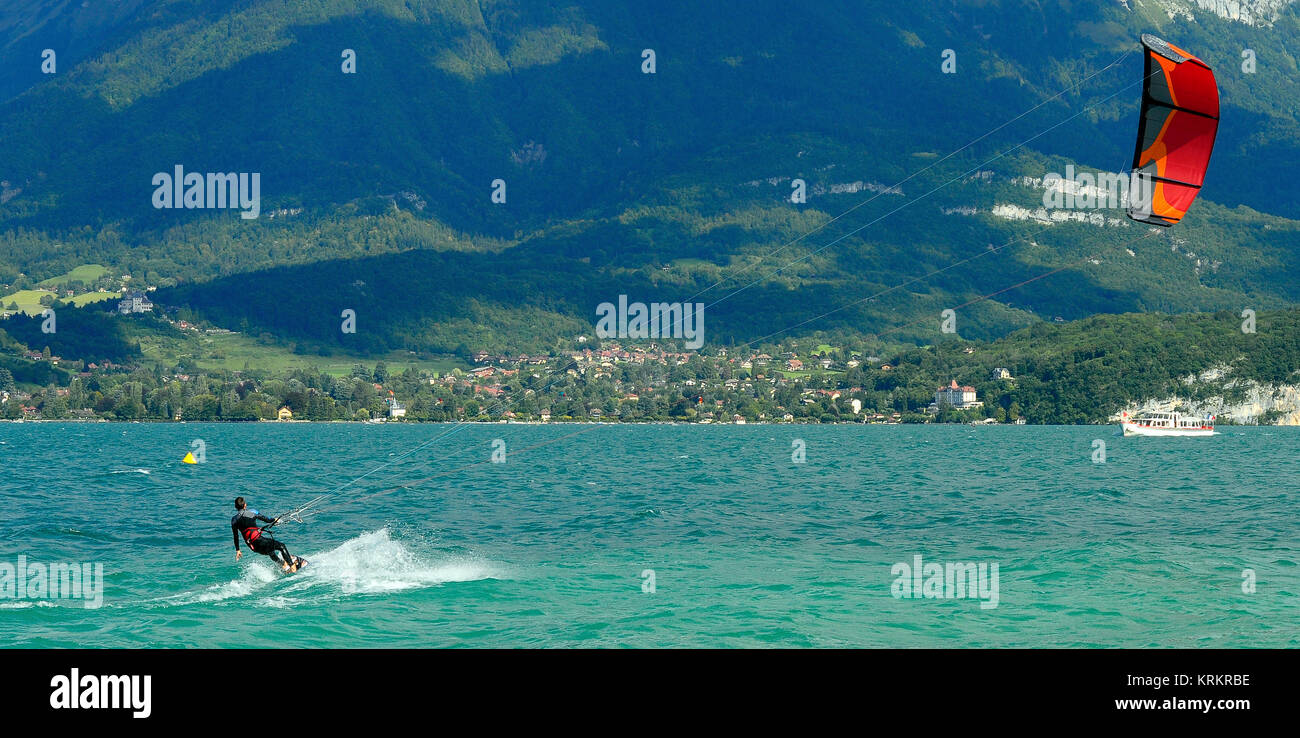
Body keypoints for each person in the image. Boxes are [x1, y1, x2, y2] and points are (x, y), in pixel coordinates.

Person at [231, 497, 303, 572]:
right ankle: (292, 566)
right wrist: (274, 519)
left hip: (253, 547)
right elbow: (267, 519)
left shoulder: (234, 520)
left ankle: (283, 565)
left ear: (236, 507)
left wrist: (238, 550)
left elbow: (235, 536)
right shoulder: (252, 512)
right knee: (281, 546)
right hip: (260, 541)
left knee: (270, 551)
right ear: (245, 505)